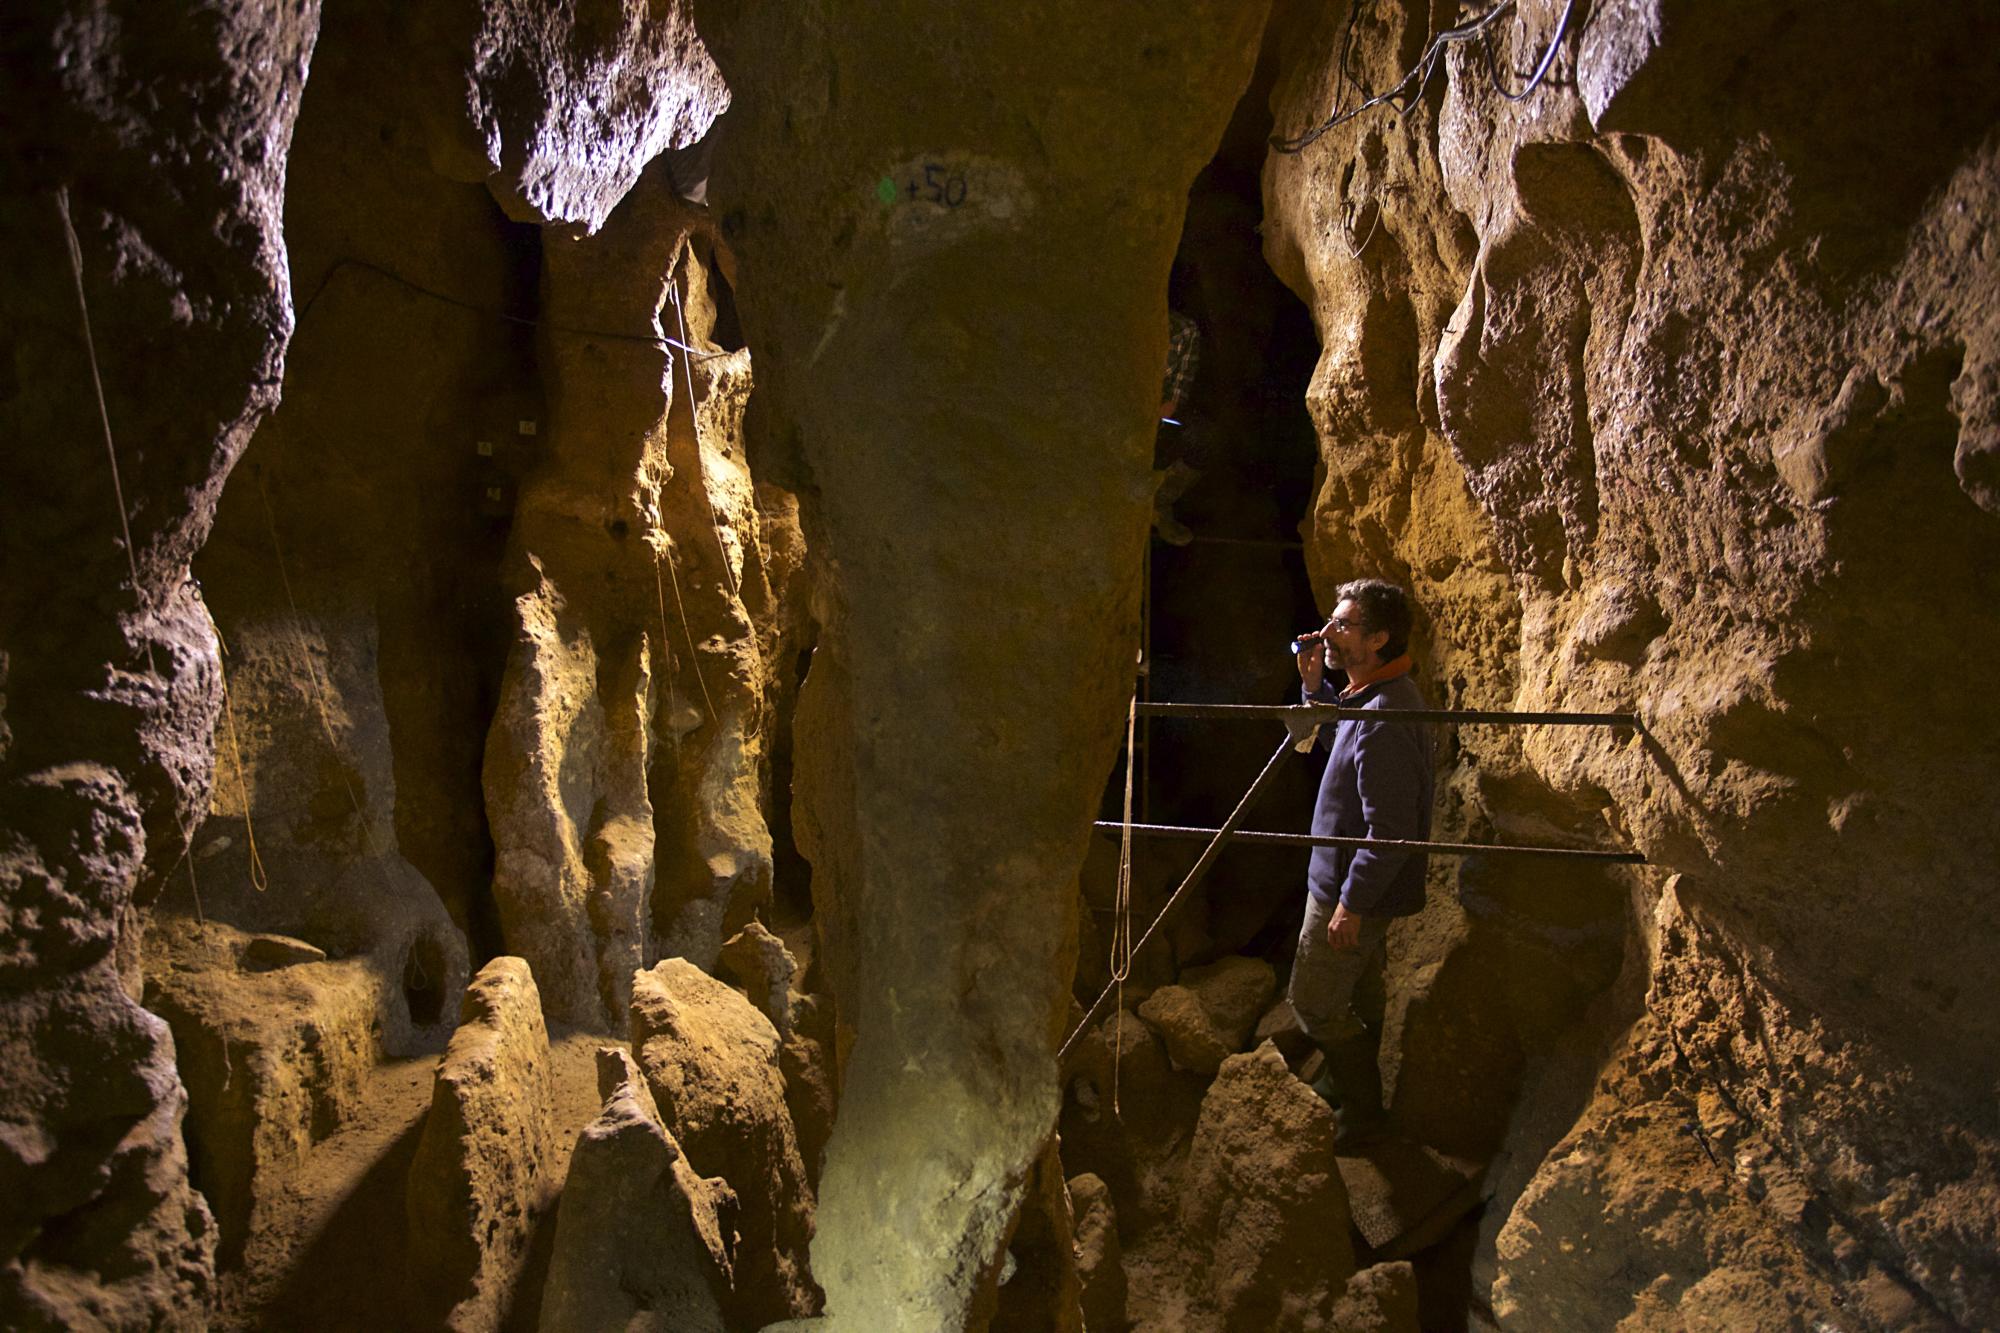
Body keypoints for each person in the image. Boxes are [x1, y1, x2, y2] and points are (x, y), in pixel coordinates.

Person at [1287, 578, 1434, 1146]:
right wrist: (1313, 685)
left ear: (1377, 638)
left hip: (1349, 892)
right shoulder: (1373, 698)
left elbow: (1391, 832)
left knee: (1314, 1002)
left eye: (1343, 626)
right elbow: (1339, 753)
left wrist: (1349, 904)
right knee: (1360, 992)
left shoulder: (1386, 716)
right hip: (1351, 885)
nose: (1327, 632)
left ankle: (1364, 1108)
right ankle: (1344, 1084)